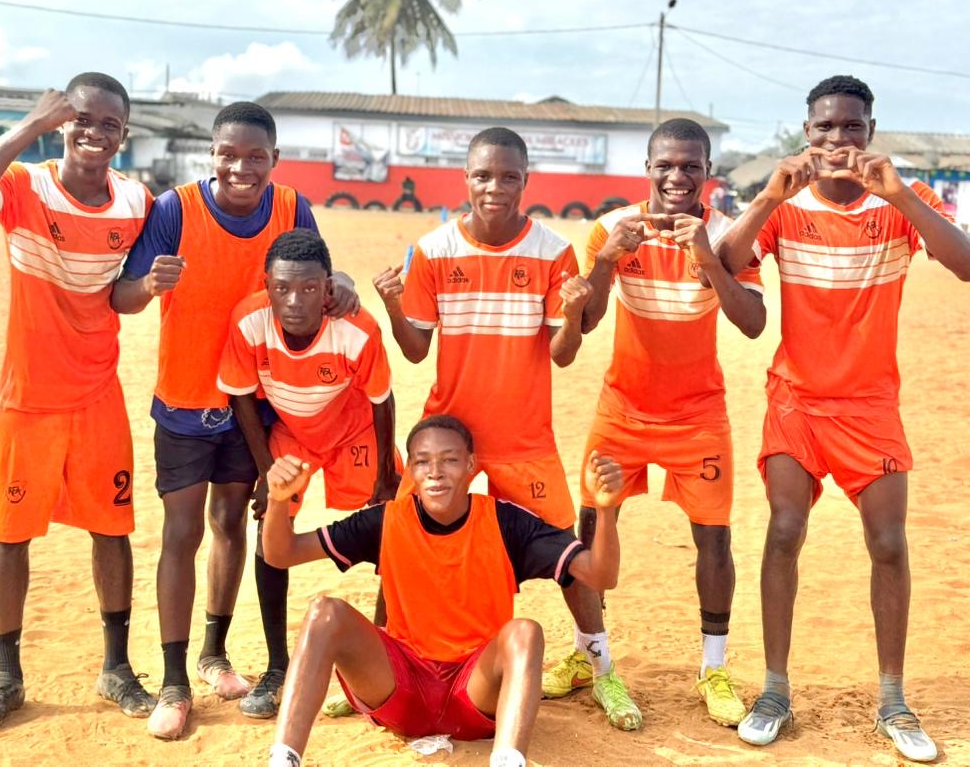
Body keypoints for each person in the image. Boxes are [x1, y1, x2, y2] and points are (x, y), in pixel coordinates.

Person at [717, 75, 970, 762]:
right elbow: (727, 262)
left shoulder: (899, 201)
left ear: (870, 132)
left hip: (869, 405)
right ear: (807, 133)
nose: (837, 139)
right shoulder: (785, 204)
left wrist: (902, 197)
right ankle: (774, 690)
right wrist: (767, 196)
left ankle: (893, 699)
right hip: (796, 401)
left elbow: (965, 264)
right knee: (785, 530)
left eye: (851, 126)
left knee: (888, 544)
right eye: (825, 127)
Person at [111, 102, 359, 738]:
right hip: (186, 399)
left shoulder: (291, 207)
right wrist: (149, 286)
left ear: (275, 160)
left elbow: (317, 272)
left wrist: (345, 281)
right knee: (182, 532)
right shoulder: (176, 209)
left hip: (254, 404)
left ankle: (214, 654)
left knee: (231, 523)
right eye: (228, 154)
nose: (241, 167)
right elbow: (122, 295)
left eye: (255, 157)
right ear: (212, 155)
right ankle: (173, 681)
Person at [371, 127, 618, 724]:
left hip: (523, 439)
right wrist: (393, 304)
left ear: (526, 181)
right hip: (447, 441)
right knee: (400, 541)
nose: (495, 188)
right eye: (483, 175)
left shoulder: (553, 251)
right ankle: (382, 667)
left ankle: (602, 668)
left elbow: (562, 355)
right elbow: (414, 350)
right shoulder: (433, 250)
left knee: (570, 555)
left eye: (509, 177)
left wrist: (572, 314)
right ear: (466, 178)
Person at [0, 73, 155, 731]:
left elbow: (123, 296)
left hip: (97, 395)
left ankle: (116, 668)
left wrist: (148, 287)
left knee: (112, 530)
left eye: (110, 124)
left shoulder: (136, 202)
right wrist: (28, 126)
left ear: (124, 134)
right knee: (10, 537)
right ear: (62, 122)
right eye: (81, 118)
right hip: (27, 398)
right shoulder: (24, 185)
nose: (95, 132)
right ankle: (6, 676)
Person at [550, 118, 766, 730]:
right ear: (647, 168)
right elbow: (587, 320)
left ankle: (713, 669)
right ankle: (589, 656)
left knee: (713, 539)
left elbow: (753, 323)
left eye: (691, 166)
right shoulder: (612, 228)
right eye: (665, 165)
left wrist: (708, 260)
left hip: (698, 415)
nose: (677, 177)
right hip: (621, 409)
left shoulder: (727, 234)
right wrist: (607, 260)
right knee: (590, 529)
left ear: (708, 172)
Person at [261, 415, 624, 767]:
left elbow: (599, 575)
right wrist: (279, 500)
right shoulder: (388, 520)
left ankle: (508, 759)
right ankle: (284, 758)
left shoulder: (505, 522)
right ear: (411, 471)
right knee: (325, 612)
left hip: (475, 693)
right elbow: (281, 553)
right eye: (422, 462)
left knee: (526, 632)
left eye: (449, 460)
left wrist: (605, 511)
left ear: (471, 465)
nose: (435, 472)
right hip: (401, 691)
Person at [215, 228, 402, 668]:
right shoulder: (249, 321)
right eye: (282, 288)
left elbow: (382, 400)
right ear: (267, 286)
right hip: (293, 434)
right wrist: (268, 474)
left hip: (353, 430)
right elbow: (240, 397)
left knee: (397, 522)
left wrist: (385, 475)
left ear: (328, 288)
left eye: (309, 288)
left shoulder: (357, 329)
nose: (295, 301)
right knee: (272, 528)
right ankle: (277, 665)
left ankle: (388, 650)